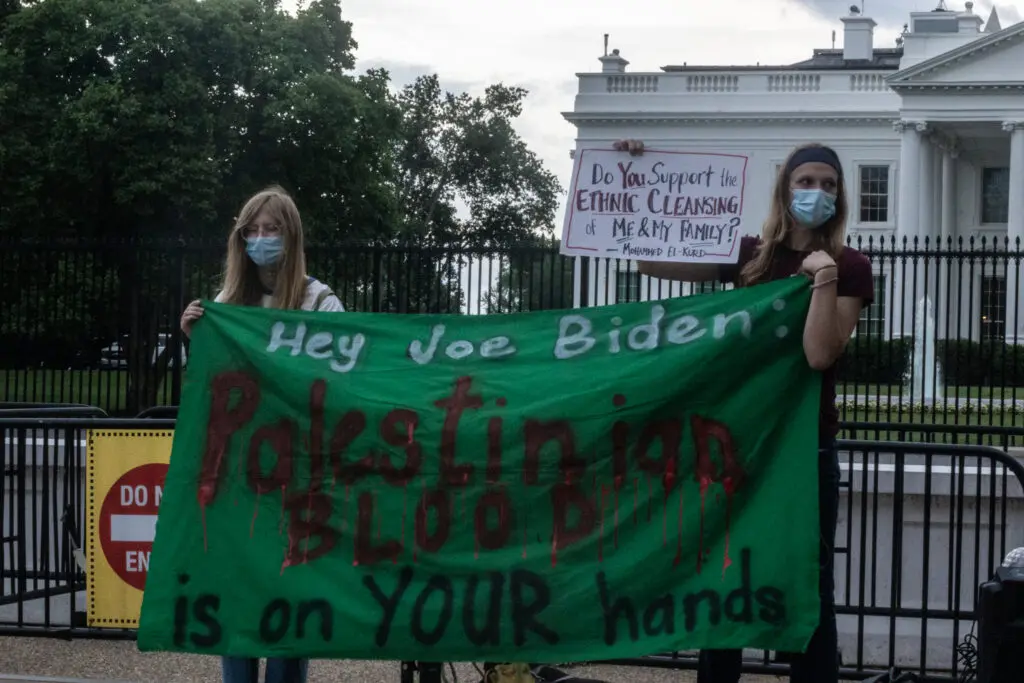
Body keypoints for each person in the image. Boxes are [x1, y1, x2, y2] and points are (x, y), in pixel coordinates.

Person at [615, 139, 873, 683]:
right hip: (737, 440)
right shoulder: (746, 255)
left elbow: (820, 353)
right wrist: (632, 172)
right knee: (723, 572)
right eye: (807, 182)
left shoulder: (849, 267)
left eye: (829, 185)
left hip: (804, 445)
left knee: (808, 580)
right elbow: (648, 257)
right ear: (785, 188)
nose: (817, 193)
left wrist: (822, 279)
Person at [179, 185, 344, 683]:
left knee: (290, 592)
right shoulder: (228, 303)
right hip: (238, 474)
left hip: (298, 473)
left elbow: (341, 379)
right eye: (251, 230)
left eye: (271, 229)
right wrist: (196, 340)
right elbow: (211, 391)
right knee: (238, 595)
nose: (260, 238)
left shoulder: (319, 300)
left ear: (291, 235)